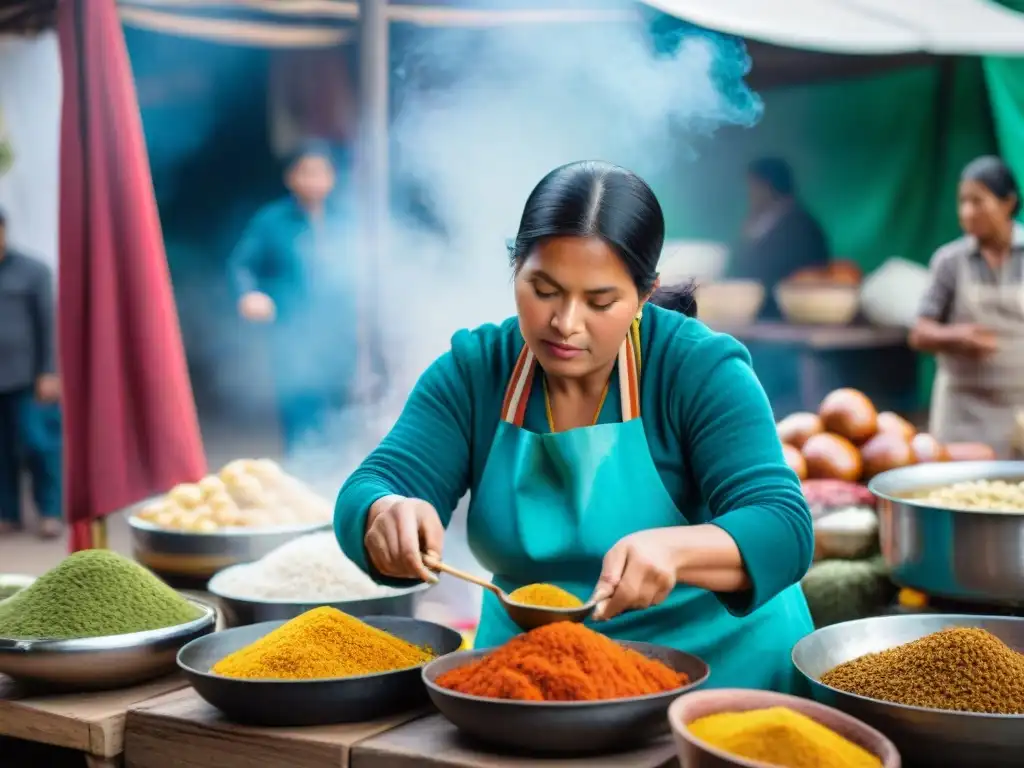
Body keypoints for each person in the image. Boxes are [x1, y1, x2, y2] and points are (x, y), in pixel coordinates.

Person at [335, 161, 815, 692]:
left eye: (600, 301)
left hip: (720, 677)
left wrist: (676, 551)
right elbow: (369, 487)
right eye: (543, 289)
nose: (565, 323)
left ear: (643, 294)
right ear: (515, 268)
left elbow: (783, 526)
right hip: (536, 680)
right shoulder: (477, 369)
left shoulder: (697, 367)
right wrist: (386, 513)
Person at [228, 140, 384, 456]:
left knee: (342, 407)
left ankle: (337, 473)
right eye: (306, 172)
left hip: (339, 331)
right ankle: (303, 470)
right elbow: (242, 264)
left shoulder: (345, 220)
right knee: (300, 405)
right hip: (292, 332)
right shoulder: (271, 220)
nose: (314, 180)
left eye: (321, 172)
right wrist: (250, 294)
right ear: (290, 177)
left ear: (332, 178)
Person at [909, 156, 1024, 458]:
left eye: (978, 201)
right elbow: (919, 333)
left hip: (1018, 414)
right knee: (958, 493)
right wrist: (956, 337)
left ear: (1008, 202)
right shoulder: (949, 261)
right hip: (962, 416)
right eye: (962, 202)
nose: (967, 212)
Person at [0, 210, 62, 537]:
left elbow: (47, 325)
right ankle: (7, 513)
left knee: (38, 443)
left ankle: (50, 511)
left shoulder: (32, 271)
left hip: (27, 377)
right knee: (1, 450)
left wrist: (49, 371)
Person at [729, 157, 830, 318]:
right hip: (756, 311)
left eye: (753, 185)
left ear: (768, 186)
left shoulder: (799, 225)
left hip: (789, 312)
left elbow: (796, 271)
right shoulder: (759, 221)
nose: (750, 192)